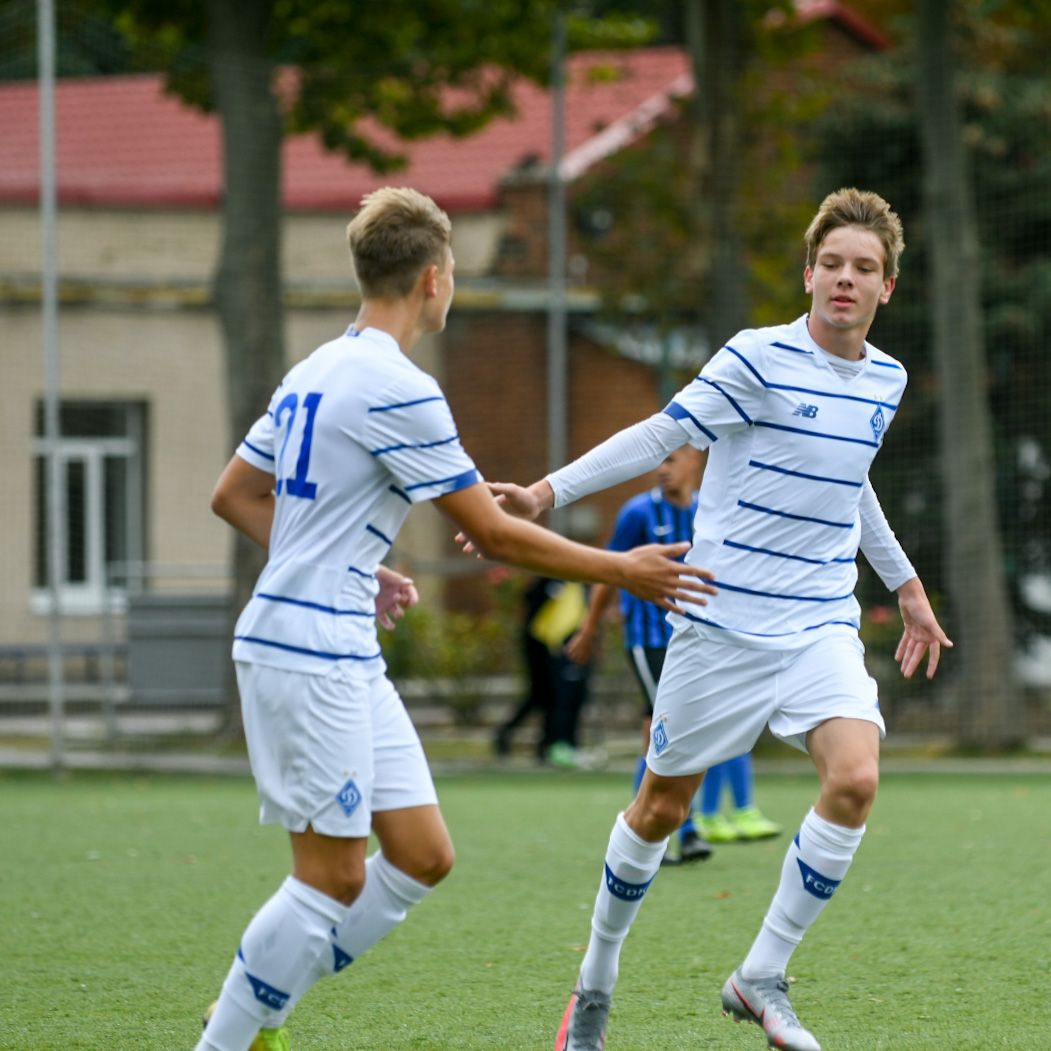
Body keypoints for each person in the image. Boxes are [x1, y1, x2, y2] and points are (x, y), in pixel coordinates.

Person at [195, 186, 714, 1051]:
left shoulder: (315, 368)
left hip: (338, 644)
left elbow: (234, 495)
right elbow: (491, 531)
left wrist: (354, 569)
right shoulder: (401, 388)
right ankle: (236, 1029)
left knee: (422, 853)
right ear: (434, 279)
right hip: (305, 649)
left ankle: (254, 1004)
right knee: (329, 878)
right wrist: (620, 567)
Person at [486, 188, 953, 1051]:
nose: (845, 280)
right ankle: (595, 979)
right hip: (719, 623)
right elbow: (657, 435)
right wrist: (546, 494)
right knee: (660, 808)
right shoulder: (754, 359)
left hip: (818, 623)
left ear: (887, 286)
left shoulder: (885, 380)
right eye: (833, 265)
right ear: (807, 272)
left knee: (854, 779)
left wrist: (907, 582)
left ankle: (760, 974)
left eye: (864, 269)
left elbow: (850, 485)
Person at [565, 447, 718, 862]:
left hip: (693, 638)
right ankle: (661, 831)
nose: (663, 469)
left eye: (672, 460)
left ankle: (669, 828)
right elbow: (607, 571)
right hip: (646, 637)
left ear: (695, 461)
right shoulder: (638, 513)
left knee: (678, 728)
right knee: (663, 725)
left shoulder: (709, 509)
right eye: (660, 460)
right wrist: (590, 627)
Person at [495, 576, 595, 767]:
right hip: (547, 652)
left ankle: (551, 745)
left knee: (558, 698)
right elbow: (533, 611)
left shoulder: (579, 585)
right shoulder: (550, 582)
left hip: (564, 649)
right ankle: (551, 745)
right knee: (543, 697)